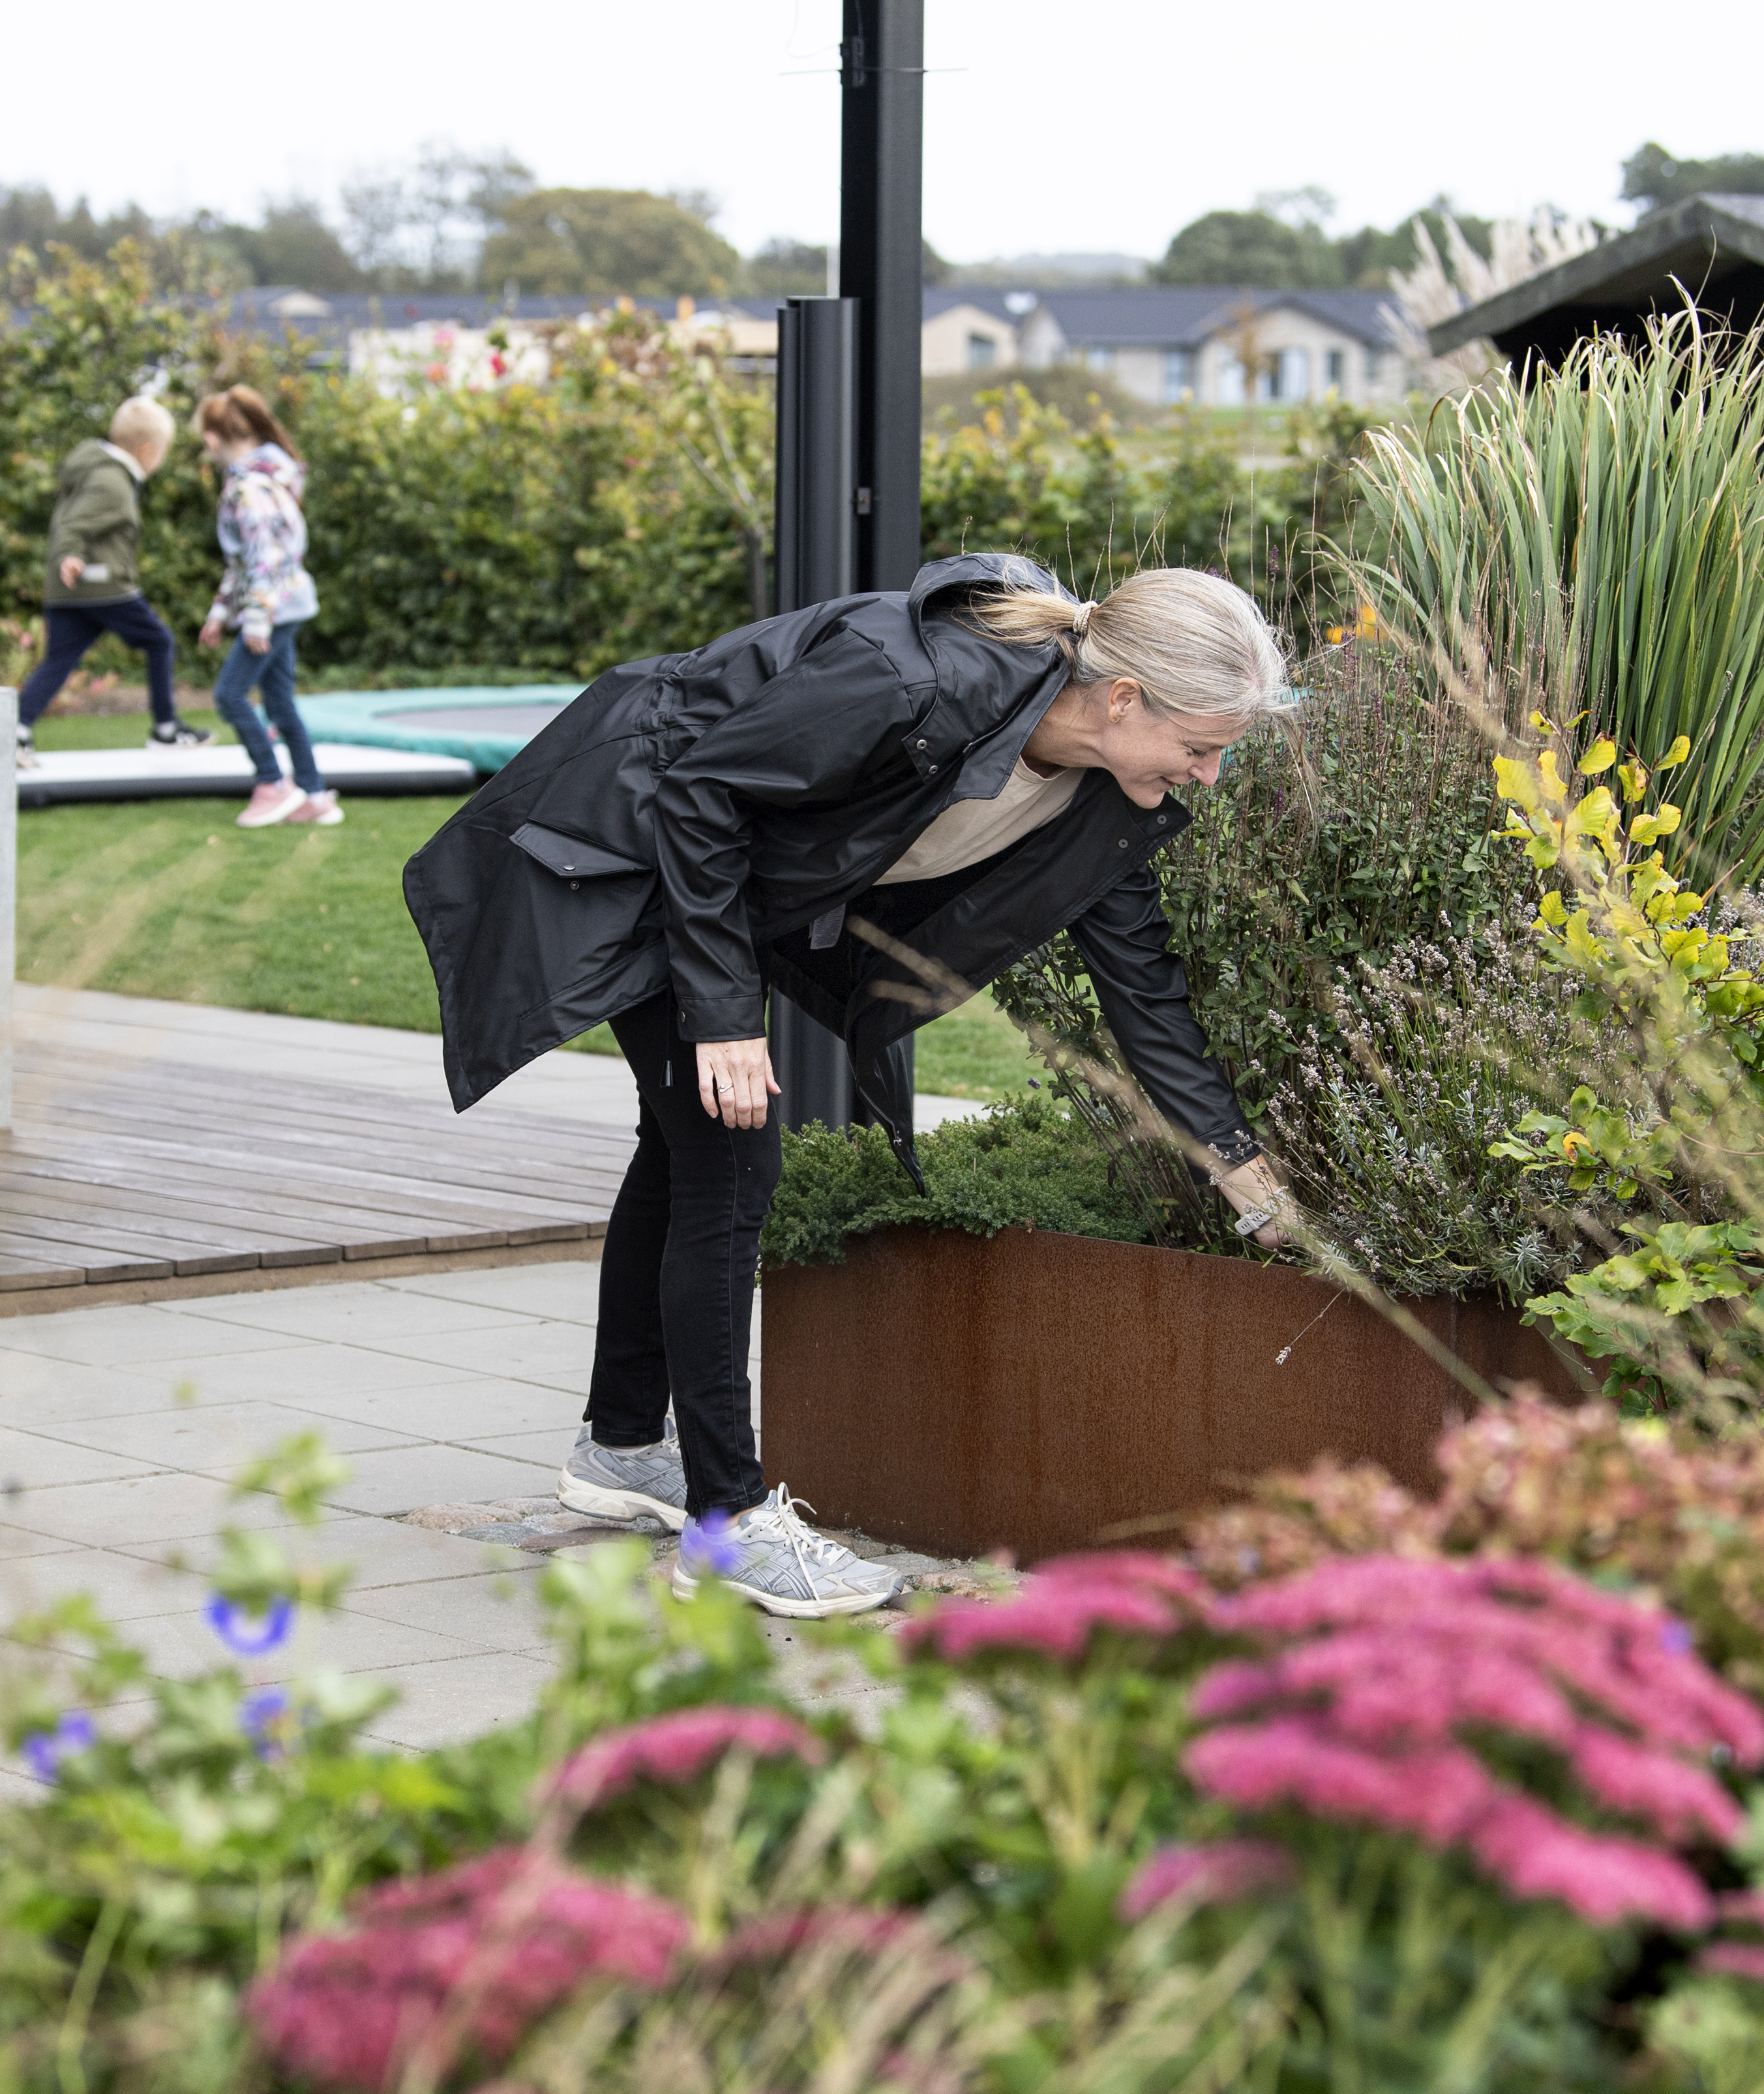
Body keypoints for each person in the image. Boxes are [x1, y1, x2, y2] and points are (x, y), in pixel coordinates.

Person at [403, 556, 1297, 1619]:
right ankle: (727, 1528)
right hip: (629, 834)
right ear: (1121, 698)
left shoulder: (1106, 797)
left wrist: (1244, 1173)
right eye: (1200, 748)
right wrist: (725, 1016)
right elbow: (700, 788)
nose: (1206, 775)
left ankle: (623, 1441)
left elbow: (1143, 997)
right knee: (732, 1154)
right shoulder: (917, 679)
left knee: (685, 1146)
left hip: (711, 868)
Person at [22, 396, 205, 749]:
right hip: (101, 584)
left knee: (59, 660)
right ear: (149, 451)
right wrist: (70, 555)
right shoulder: (113, 483)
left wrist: (68, 560)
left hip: (69, 590)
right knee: (159, 641)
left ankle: (16, 730)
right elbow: (73, 527)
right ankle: (166, 728)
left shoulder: (95, 471)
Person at [194, 387, 335, 828]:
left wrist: (255, 616)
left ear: (214, 438)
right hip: (289, 604)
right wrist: (221, 613)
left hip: (273, 609)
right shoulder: (271, 478)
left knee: (229, 695)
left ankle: (273, 784)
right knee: (279, 703)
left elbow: (264, 556)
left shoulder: (246, 488)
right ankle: (313, 795)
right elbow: (244, 561)